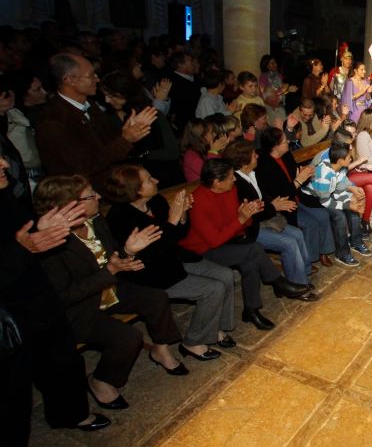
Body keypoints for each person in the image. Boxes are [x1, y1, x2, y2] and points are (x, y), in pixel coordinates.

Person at [34, 175, 187, 405]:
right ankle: (100, 380)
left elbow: (114, 258)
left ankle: (161, 350)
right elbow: (64, 296)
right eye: (90, 196)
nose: (99, 197)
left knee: (156, 297)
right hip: (80, 310)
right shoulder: (49, 246)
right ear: (69, 207)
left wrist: (129, 251)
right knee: (129, 337)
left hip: (109, 291)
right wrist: (111, 270)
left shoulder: (96, 222)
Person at [1, 159, 110, 447]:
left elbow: (21, 236)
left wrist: (41, 231)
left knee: (62, 363)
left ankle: (70, 415)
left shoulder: (5, 192)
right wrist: (26, 249)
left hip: (37, 299)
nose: (4, 163)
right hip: (8, 318)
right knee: (11, 405)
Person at [104, 165, 237, 361]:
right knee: (213, 289)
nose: (156, 180)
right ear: (136, 190)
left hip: (174, 259)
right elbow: (149, 255)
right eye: (149, 180)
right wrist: (172, 222)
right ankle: (193, 342)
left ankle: (216, 327)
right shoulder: (119, 218)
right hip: (151, 274)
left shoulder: (156, 201)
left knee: (225, 275)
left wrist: (182, 216)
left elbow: (177, 236)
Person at [179, 159, 308, 330]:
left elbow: (242, 224)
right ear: (217, 182)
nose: (234, 179)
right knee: (255, 249)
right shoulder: (199, 201)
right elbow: (214, 240)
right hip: (203, 251)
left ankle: (251, 310)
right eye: (230, 177)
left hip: (228, 240)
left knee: (250, 263)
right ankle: (278, 282)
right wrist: (240, 219)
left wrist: (247, 215)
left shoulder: (230, 189)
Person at [36, 53, 157, 183]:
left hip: (112, 182)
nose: (97, 79)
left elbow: (107, 143)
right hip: (86, 190)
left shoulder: (89, 105)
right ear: (70, 80)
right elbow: (81, 167)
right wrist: (125, 140)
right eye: (91, 75)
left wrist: (128, 132)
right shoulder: (53, 120)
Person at [222, 140, 318, 302]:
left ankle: (303, 274)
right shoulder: (237, 184)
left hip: (266, 219)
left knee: (297, 234)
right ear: (244, 161)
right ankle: (297, 286)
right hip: (251, 228)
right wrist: (273, 206)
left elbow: (264, 199)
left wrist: (273, 204)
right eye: (254, 155)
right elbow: (252, 214)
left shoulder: (253, 173)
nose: (257, 156)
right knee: (289, 243)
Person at [253, 127, 336, 266]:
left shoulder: (286, 155)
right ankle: (310, 258)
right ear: (275, 146)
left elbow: (296, 177)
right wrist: (298, 180)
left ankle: (324, 252)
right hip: (285, 206)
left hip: (298, 197)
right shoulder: (264, 165)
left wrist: (305, 174)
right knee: (311, 223)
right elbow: (281, 194)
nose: (288, 142)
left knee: (323, 215)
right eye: (284, 141)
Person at [303, 143, 369, 267]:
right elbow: (325, 201)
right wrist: (348, 205)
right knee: (340, 216)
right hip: (314, 201)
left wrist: (352, 189)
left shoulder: (339, 167)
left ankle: (356, 241)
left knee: (354, 205)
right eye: (349, 157)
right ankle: (342, 253)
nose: (351, 159)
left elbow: (341, 182)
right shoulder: (323, 173)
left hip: (329, 194)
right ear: (340, 160)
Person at [180, 118, 227, 183]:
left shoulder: (204, 148)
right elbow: (211, 174)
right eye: (212, 132)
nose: (215, 134)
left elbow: (222, 168)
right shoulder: (190, 155)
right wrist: (213, 152)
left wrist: (220, 151)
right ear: (201, 136)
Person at [166, 51, 201, 133]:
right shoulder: (173, 83)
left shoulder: (195, 78)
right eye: (191, 61)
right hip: (186, 127)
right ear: (180, 65)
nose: (194, 64)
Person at [258, 54, 289, 124]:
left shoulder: (278, 75)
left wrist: (287, 90)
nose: (275, 64)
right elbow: (264, 95)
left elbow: (282, 91)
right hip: (270, 106)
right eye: (272, 63)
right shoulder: (263, 77)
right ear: (266, 66)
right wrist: (282, 90)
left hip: (280, 105)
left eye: (275, 62)